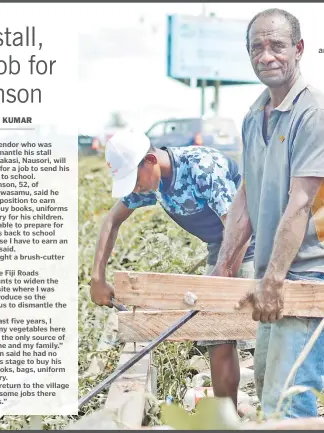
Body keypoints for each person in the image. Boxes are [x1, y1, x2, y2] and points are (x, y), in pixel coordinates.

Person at [210, 8, 324, 419]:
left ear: (298, 49)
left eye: (277, 45)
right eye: (256, 47)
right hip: (274, 270)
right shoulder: (253, 114)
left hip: (315, 268)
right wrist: (224, 266)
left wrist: (274, 279)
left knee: (289, 399)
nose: (267, 56)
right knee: (267, 388)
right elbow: (247, 194)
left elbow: (301, 202)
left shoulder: (316, 114)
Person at [89, 129, 256, 409]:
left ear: (151, 160)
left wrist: (221, 276)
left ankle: (280, 412)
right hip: (221, 245)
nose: (134, 188)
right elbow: (111, 222)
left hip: (254, 238)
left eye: (134, 179)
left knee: (255, 327)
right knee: (217, 334)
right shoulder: (151, 184)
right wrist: (97, 278)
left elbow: (239, 227)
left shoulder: (201, 167)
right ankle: (226, 417)